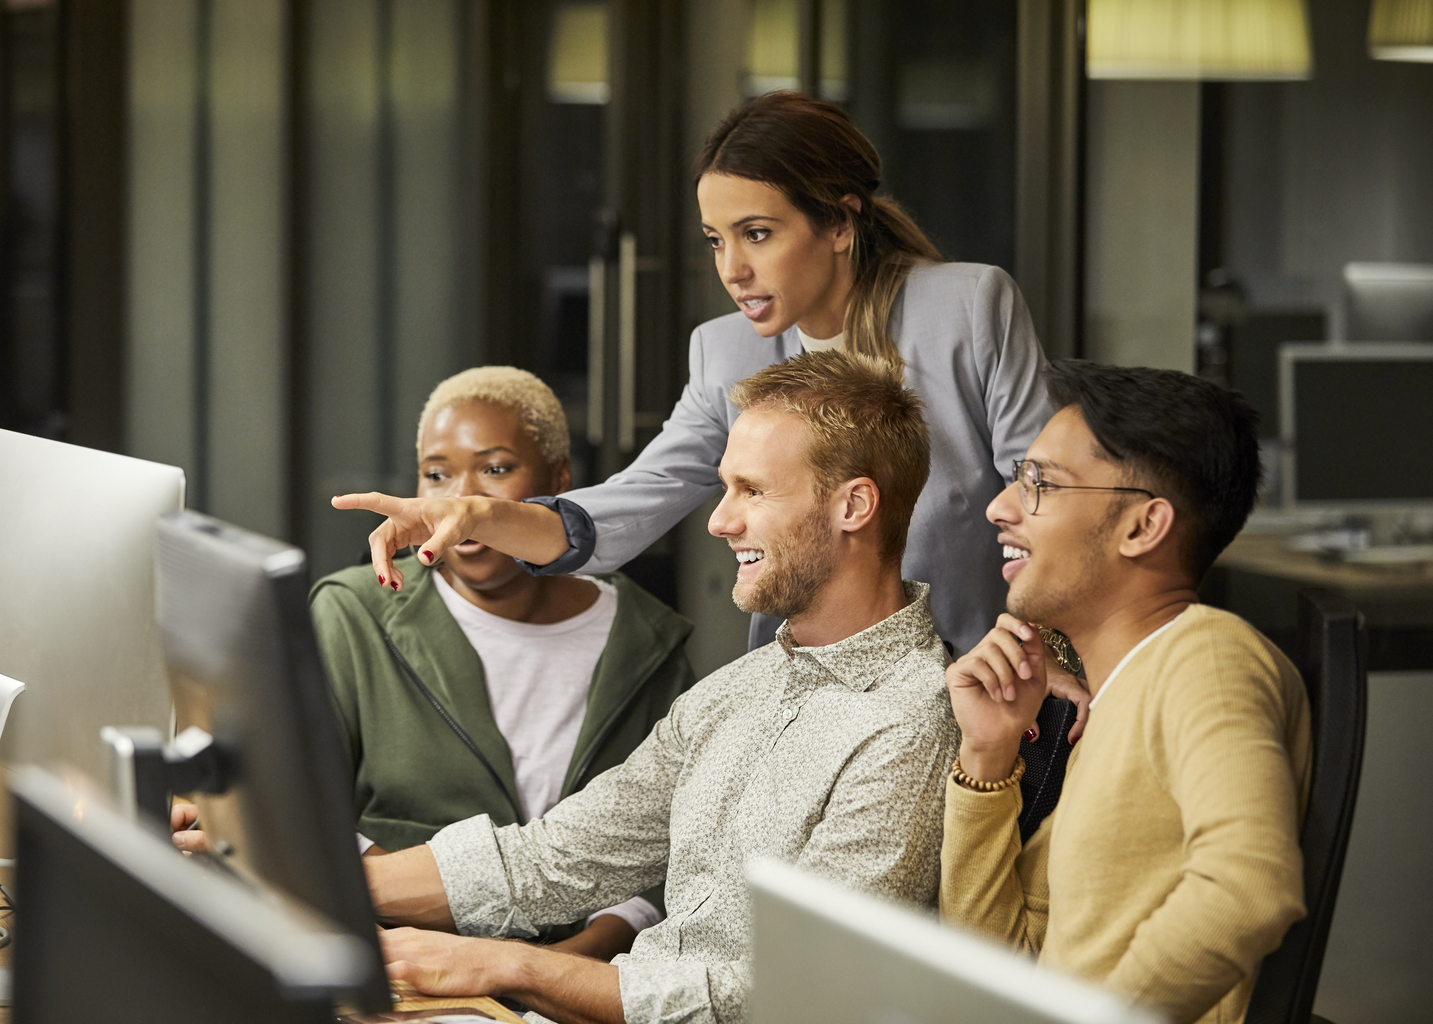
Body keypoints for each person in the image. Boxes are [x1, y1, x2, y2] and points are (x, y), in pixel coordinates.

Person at [333, 90, 1053, 655]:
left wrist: (1041, 647)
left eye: (758, 234)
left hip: (968, 678)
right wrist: (481, 516)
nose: (732, 270)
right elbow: (630, 505)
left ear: (840, 223)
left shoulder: (966, 307)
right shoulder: (727, 353)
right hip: (801, 690)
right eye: (716, 240)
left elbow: (1050, 499)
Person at [359, 351, 960, 1024]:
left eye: (752, 491)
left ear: (854, 506)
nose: (720, 521)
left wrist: (510, 965)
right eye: (725, 488)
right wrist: (309, 879)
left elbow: (798, 995)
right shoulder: (731, 692)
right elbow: (555, 860)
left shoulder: (912, 720)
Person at [178, 367, 696, 963]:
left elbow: (669, 851)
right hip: (401, 964)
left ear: (559, 481)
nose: (461, 500)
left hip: (590, 979)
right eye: (437, 475)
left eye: (495, 469)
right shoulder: (353, 615)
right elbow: (299, 808)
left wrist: (568, 962)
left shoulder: (647, 640)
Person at [938, 361, 1311, 1024]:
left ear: (1143, 527)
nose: (1000, 507)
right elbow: (993, 978)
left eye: (1041, 484)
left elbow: (1250, 887)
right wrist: (988, 757)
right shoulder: (1113, 700)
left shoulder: (1206, 657)